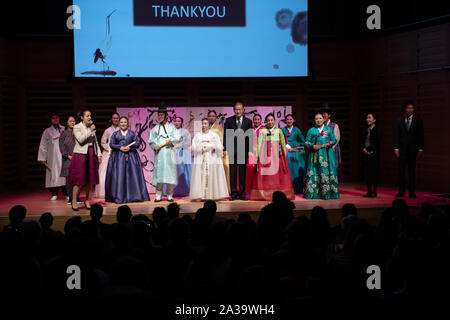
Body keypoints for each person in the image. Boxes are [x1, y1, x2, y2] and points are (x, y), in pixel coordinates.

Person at [249, 113, 294, 201]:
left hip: (277, 157)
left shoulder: (279, 131)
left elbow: (283, 143)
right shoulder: (263, 131)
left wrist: (283, 155)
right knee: (267, 177)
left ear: (274, 121)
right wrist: (258, 157)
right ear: (265, 121)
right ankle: (266, 193)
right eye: (268, 120)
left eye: (271, 120)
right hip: (265, 157)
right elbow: (259, 144)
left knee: (278, 176)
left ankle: (278, 194)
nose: (270, 122)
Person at [105, 116, 149, 203]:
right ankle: (119, 196)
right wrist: (120, 147)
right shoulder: (115, 134)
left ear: (128, 123)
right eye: (121, 122)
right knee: (120, 176)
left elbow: (137, 143)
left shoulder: (132, 133)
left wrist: (130, 147)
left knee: (132, 176)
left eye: (125, 122)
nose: (123, 124)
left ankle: (133, 196)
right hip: (118, 158)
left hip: (131, 157)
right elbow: (111, 144)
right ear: (119, 124)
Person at [67, 109, 102, 211]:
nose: (89, 118)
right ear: (82, 117)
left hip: (91, 153)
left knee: (90, 180)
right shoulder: (77, 127)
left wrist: (99, 154)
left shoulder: (91, 128)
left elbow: (95, 142)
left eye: (90, 116)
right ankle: (73, 200)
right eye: (87, 116)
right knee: (78, 180)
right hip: (80, 154)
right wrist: (90, 130)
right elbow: (81, 139)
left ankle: (87, 200)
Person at [190, 118, 229, 201]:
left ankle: (212, 195)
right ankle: (201, 195)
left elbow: (219, 146)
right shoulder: (197, 136)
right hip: (201, 158)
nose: (204, 125)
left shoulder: (214, 135)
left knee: (211, 175)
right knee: (201, 175)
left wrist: (212, 147)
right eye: (202, 123)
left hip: (211, 158)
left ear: (208, 125)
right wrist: (200, 148)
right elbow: (193, 147)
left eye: (205, 123)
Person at [148, 102, 180, 202]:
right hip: (160, 154)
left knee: (170, 173)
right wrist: (155, 146)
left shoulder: (172, 127)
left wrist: (171, 142)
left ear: (166, 116)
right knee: (159, 173)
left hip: (169, 153)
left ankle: (170, 194)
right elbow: (151, 140)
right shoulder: (155, 129)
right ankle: (159, 194)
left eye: (162, 115)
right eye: (159, 115)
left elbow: (177, 138)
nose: (160, 116)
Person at [304, 112, 339, 200]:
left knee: (326, 171)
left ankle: (328, 193)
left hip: (327, 154)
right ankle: (313, 194)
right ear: (314, 121)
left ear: (323, 120)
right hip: (314, 155)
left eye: (320, 118)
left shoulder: (328, 129)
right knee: (315, 172)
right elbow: (306, 142)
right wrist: (312, 146)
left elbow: (334, 140)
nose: (318, 120)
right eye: (316, 119)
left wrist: (328, 143)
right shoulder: (311, 130)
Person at [394, 101, 424, 198]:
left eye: (411, 108)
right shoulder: (399, 120)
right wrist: (396, 147)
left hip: (413, 150)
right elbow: (396, 135)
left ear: (413, 109)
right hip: (402, 150)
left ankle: (412, 192)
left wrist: (420, 148)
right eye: (408, 108)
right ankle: (401, 192)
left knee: (412, 172)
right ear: (405, 109)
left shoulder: (418, 120)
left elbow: (421, 136)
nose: (410, 110)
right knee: (401, 172)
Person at [223, 102, 252, 200]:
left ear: (243, 110)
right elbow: (226, 136)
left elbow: (249, 137)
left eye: (240, 109)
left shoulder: (248, 121)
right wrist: (225, 148)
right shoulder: (229, 120)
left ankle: (242, 193)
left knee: (243, 173)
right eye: (236, 109)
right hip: (232, 150)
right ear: (233, 110)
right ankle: (234, 193)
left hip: (243, 151)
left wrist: (250, 150)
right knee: (233, 173)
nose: (238, 111)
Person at [37, 114, 67, 200]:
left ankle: (67, 194)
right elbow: (43, 145)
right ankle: (54, 193)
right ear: (50, 120)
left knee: (64, 175)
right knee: (54, 175)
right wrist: (42, 159)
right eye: (53, 118)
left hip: (63, 155)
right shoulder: (47, 131)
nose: (55, 120)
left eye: (57, 118)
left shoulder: (64, 129)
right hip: (53, 156)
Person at [95, 112, 120, 198]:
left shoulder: (122, 129)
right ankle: (106, 192)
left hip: (119, 152)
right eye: (114, 118)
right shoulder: (108, 130)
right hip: (109, 153)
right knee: (105, 173)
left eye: (117, 118)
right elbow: (102, 142)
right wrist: (110, 148)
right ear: (111, 120)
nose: (116, 119)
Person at [58, 115, 80, 205]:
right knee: (69, 179)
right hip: (68, 159)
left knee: (77, 179)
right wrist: (67, 155)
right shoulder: (63, 133)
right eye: (70, 121)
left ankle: (76, 197)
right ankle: (71, 198)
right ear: (67, 123)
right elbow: (61, 146)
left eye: (74, 121)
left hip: (77, 158)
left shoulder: (77, 133)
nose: (72, 122)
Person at [282, 114, 306, 194]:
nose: (289, 121)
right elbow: (281, 141)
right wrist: (287, 147)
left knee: (297, 168)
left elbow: (303, 141)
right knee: (288, 169)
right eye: (287, 119)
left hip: (295, 151)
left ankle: (298, 189)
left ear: (293, 120)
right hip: (286, 149)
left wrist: (298, 146)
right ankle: (288, 188)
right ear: (285, 121)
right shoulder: (282, 130)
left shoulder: (297, 130)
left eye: (290, 119)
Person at [209, 110, 231, 194]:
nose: (211, 117)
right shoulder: (204, 127)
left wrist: (221, 151)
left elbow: (222, 141)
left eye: (213, 116)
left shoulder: (219, 128)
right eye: (210, 116)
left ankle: (219, 190)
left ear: (216, 118)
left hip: (216, 152)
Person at [360, 113, 380, 197]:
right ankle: (368, 191)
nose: (367, 119)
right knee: (367, 173)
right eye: (367, 118)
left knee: (374, 173)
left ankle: (374, 191)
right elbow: (361, 141)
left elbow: (376, 143)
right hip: (366, 154)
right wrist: (363, 149)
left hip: (374, 154)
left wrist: (368, 150)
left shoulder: (377, 130)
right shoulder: (365, 130)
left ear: (374, 120)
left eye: (369, 118)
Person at [173, 116, 192, 197]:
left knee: (183, 171)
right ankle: (173, 190)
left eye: (179, 121)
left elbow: (188, 142)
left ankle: (185, 190)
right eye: (175, 121)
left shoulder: (185, 132)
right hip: (173, 152)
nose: (177, 122)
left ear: (181, 123)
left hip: (183, 153)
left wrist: (182, 145)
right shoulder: (171, 132)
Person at [321, 105, 342, 180]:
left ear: (329, 115)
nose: (323, 115)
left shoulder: (334, 125)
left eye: (325, 114)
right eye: (322, 113)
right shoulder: (321, 126)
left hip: (332, 149)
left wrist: (331, 147)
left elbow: (337, 138)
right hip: (322, 149)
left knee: (333, 167)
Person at [245, 114, 263, 194]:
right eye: (255, 119)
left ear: (261, 121)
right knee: (250, 171)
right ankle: (250, 190)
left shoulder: (264, 130)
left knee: (260, 172)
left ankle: (260, 190)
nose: (256, 121)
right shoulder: (249, 130)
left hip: (261, 153)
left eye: (258, 119)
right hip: (251, 153)